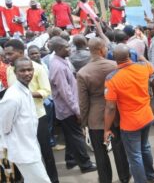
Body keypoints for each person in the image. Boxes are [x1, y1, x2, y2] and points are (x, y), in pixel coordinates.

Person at [4, 39, 59, 183]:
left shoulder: (38, 68)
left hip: (38, 115)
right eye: (6, 54)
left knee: (45, 151)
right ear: (16, 72)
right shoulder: (10, 71)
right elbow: (5, 125)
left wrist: (29, 94)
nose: (7, 57)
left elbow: (46, 91)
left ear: (21, 52)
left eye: (10, 53)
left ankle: (53, 179)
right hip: (18, 121)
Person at [77, 38, 130, 183]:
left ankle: (105, 179)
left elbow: (83, 102)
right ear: (101, 49)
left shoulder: (83, 73)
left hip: (96, 118)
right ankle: (125, 177)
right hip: (117, 114)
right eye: (106, 48)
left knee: (100, 153)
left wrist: (84, 122)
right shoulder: (115, 66)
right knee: (120, 148)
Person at [104, 44, 154, 183]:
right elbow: (152, 68)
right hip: (147, 116)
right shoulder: (143, 67)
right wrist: (141, 57)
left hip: (130, 123)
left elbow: (110, 107)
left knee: (135, 156)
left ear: (114, 58)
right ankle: (151, 177)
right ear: (130, 54)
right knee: (145, 147)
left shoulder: (112, 78)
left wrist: (106, 128)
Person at [48, 36, 97, 173]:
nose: (70, 49)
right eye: (67, 47)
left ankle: (71, 160)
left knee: (71, 136)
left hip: (68, 107)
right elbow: (66, 93)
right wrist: (77, 111)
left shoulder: (62, 61)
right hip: (68, 109)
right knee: (77, 136)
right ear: (58, 49)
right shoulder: (58, 66)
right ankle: (85, 165)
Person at [0, 57, 51, 183]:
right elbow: (4, 127)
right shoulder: (12, 97)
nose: (27, 73)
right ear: (15, 72)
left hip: (30, 147)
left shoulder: (25, 90)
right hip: (23, 151)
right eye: (22, 71)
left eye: (29, 70)